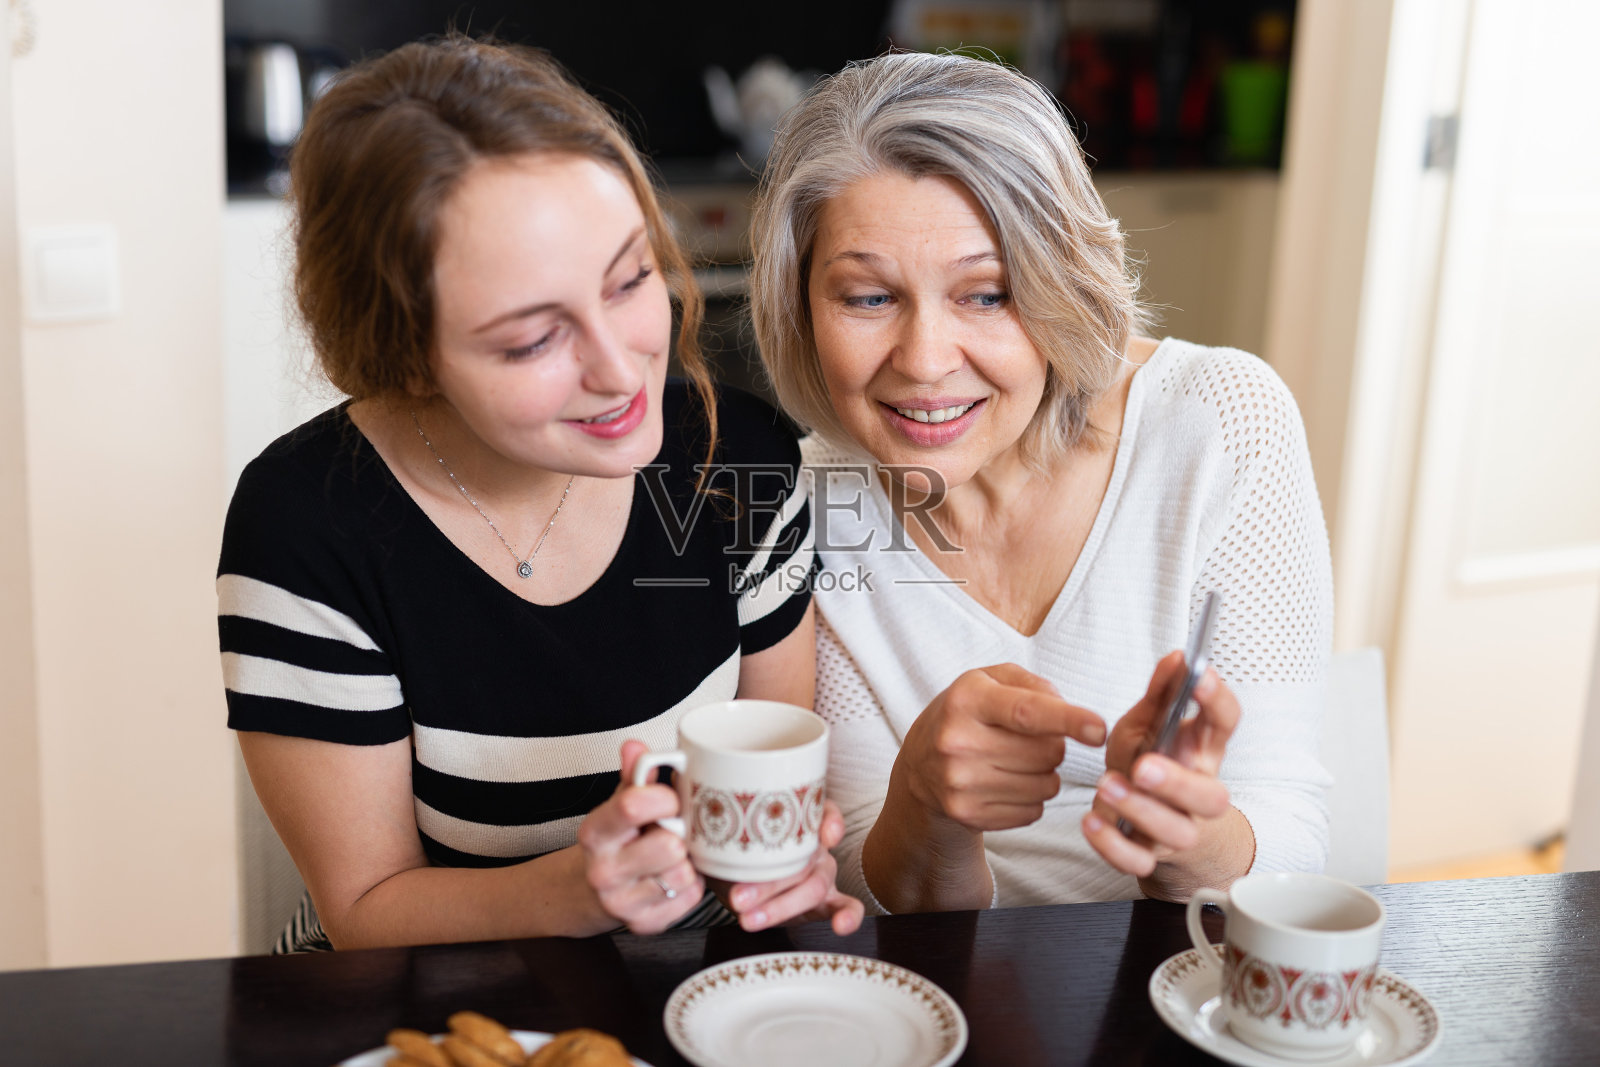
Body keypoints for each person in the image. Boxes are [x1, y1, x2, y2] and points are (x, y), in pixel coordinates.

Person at [217, 36, 861, 952]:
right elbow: (365, 908)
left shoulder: (736, 460)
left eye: (631, 278)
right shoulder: (307, 526)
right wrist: (578, 889)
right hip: (421, 1005)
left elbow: (767, 783)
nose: (621, 367)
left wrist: (783, 866)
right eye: (531, 341)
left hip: (693, 985)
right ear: (405, 351)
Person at [747, 51, 1333, 915]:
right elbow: (866, 891)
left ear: (1060, 287)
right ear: (800, 307)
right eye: (868, 298)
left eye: (986, 294)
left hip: (1172, 975)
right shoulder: (801, 506)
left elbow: (1294, 826)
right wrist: (926, 806)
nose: (926, 361)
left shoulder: (1219, 423)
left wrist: (1179, 833)